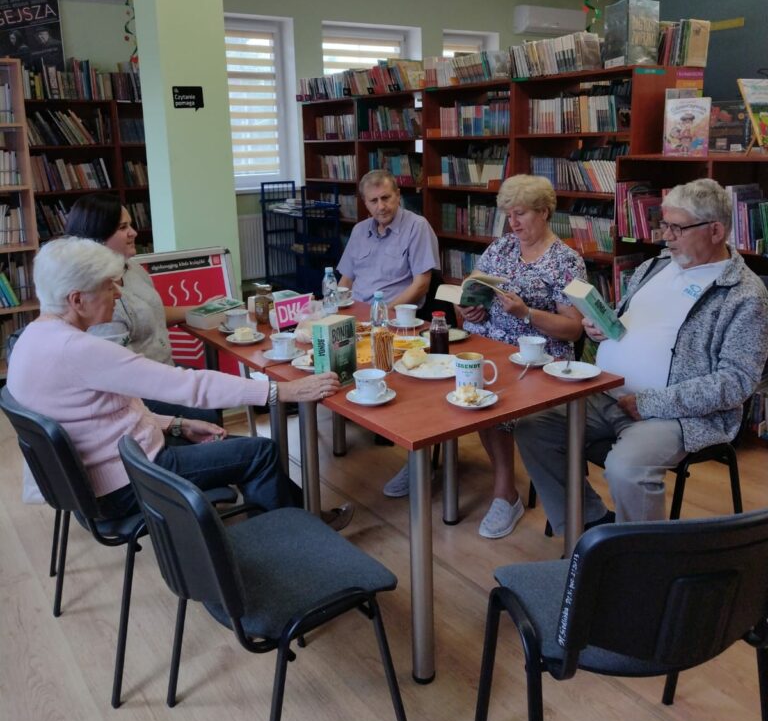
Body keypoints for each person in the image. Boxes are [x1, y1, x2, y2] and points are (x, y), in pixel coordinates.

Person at [7, 237, 344, 522]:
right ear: (77, 300)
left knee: (240, 450)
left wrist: (175, 424)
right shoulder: (79, 350)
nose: (118, 295)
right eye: (108, 287)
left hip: (97, 478)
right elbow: (188, 385)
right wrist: (280, 390)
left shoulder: (32, 338)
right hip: (128, 481)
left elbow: (93, 415)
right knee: (261, 453)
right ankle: (296, 543)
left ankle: (292, 523)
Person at [516, 178, 768, 534]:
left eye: (677, 227)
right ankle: (591, 525)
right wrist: (601, 326)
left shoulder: (744, 295)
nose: (667, 236)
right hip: (606, 392)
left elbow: (736, 383)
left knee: (626, 468)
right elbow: (624, 318)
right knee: (533, 427)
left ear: (716, 230)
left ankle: (642, 567)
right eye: (665, 225)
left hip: (677, 415)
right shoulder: (657, 265)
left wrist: (651, 403)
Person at [383, 174, 586, 541]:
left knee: (488, 397)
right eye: (509, 215)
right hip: (490, 346)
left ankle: (506, 494)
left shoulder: (567, 261)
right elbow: (472, 292)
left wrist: (526, 313)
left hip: (538, 358)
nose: (513, 223)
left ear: (544, 212)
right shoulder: (501, 248)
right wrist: (469, 310)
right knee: (439, 373)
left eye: (520, 214)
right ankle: (423, 463)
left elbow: (573, 328)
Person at [65, 194, 220, 423]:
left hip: (162, 371)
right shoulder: (96, 296)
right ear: (97, 238)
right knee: (207, 408)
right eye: (123, 227)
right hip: (139, 392)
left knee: (214, 390)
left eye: (130, 225)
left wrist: (200, 309)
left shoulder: (132, 268)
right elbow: (117, 376)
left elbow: (151, 313)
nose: (133, 232)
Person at [337, 170, 439, 307]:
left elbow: (421, 285)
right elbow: (346, 281)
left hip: (393, 316)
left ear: (397, 195)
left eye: (385, 198)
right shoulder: (359, 230)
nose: (381, 207)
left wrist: (381, 314)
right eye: (373, 201)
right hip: (355, 312)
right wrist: (337, 308)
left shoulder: (417, 226)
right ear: (365, 203)